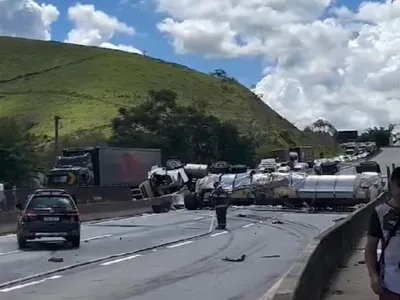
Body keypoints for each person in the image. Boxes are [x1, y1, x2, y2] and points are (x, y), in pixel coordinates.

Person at [365, 167, 400, 300]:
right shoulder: (380, 213)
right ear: (391, 184)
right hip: (390, 286)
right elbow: (370, 248)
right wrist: (373, 277)